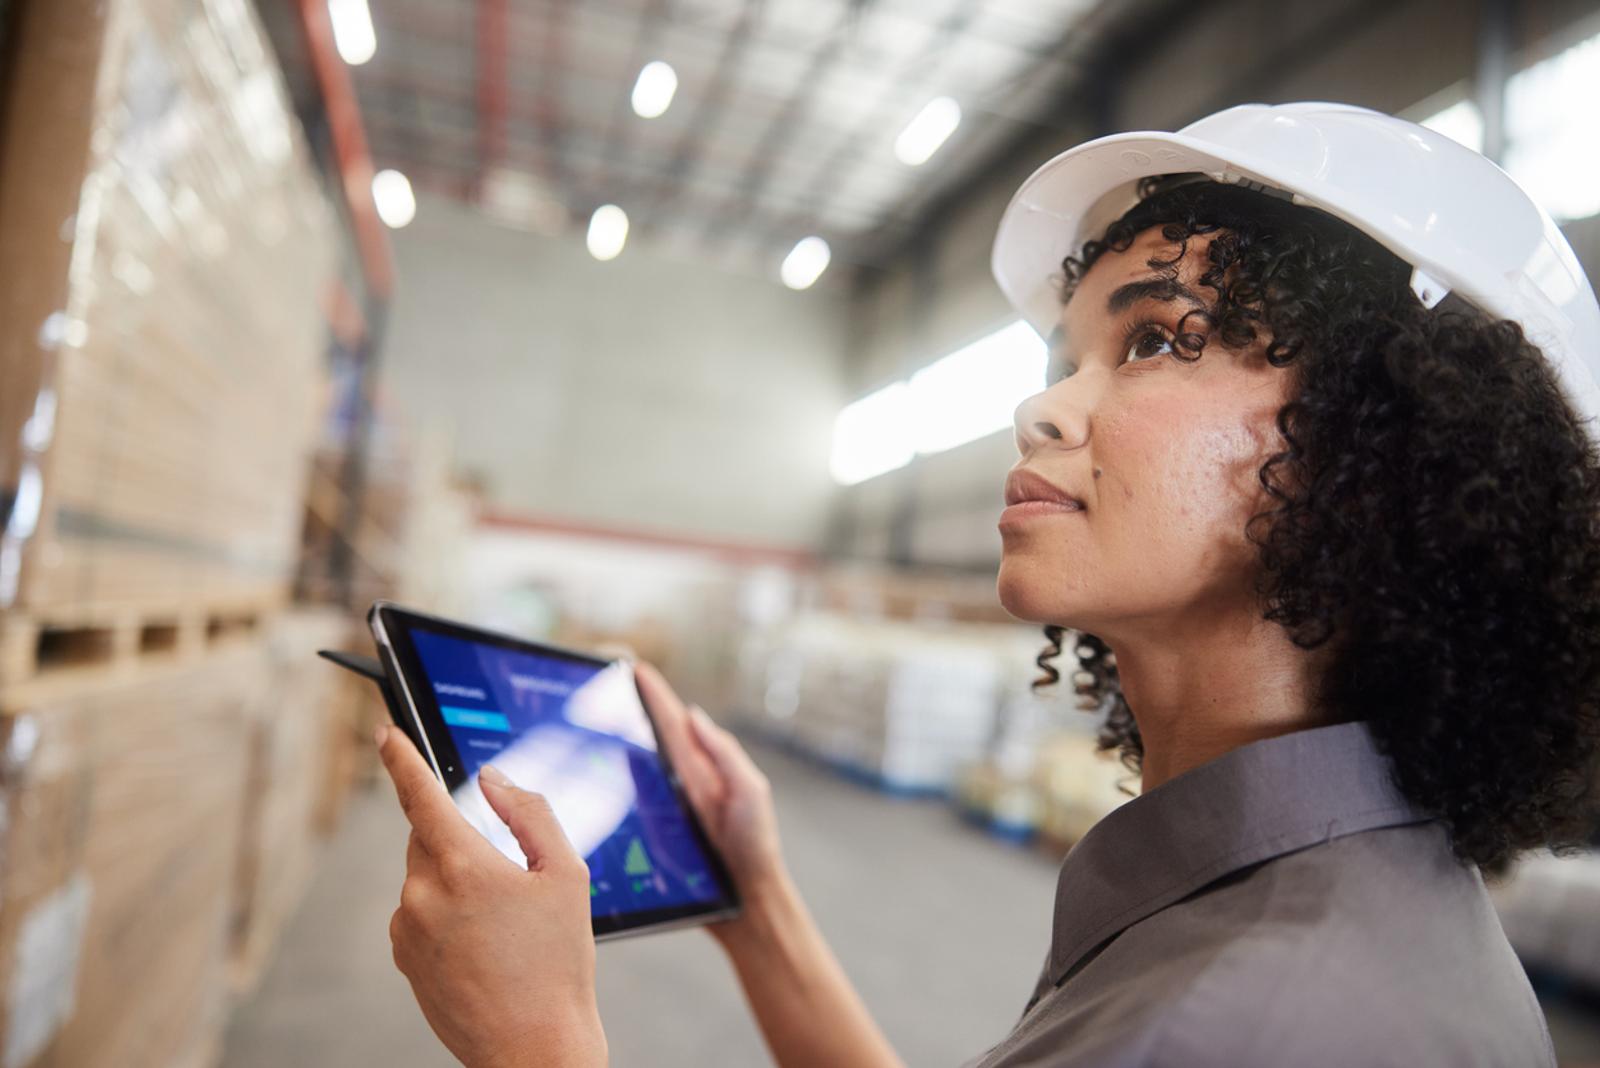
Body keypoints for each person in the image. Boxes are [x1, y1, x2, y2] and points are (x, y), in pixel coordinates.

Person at [372, 102, 1600, 1067]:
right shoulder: (1310, 903)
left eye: (1158, 338)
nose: (1040, 406)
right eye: (1067, 355)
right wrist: (759, 909)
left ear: (1388, 443)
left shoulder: (1248, 1018)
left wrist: (534, 1041)